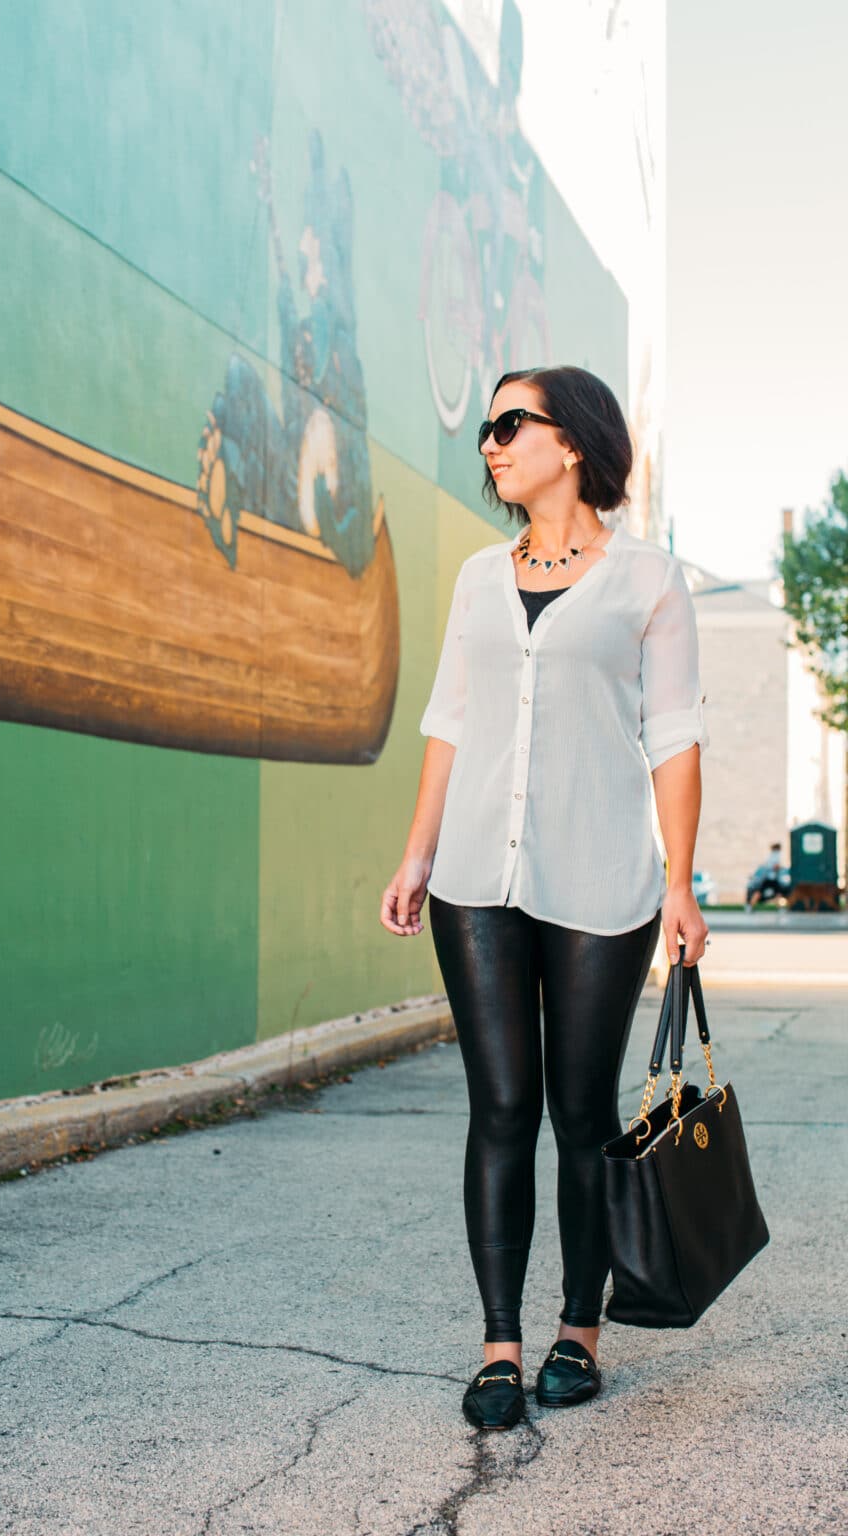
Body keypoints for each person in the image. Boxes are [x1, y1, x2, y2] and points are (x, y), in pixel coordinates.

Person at [380, 365, 710, 1431]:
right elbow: (449, 719)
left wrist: (680, 881)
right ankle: (498, 1345)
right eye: (485, 428)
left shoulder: (648, 582)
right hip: (477, 878)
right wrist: (417, 853)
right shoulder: (480, 578)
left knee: (579, 1113)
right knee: (499, 1110)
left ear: (570, 442)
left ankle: (578, 1330)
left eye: (509, 424)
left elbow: (673, 739)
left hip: (598, 882)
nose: (490, 442)